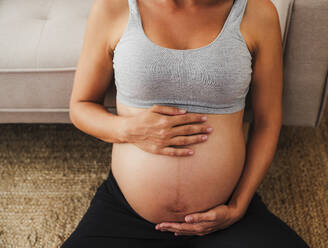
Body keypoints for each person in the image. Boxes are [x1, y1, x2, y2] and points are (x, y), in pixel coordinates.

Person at [61, 0, 310, 247]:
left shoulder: (257, 12)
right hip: (125, 213)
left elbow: (267, 121)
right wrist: (130, 130)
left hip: (223, 216)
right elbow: (81, 106)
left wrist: (238, 206)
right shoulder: (113, 7)